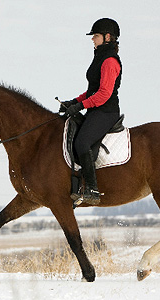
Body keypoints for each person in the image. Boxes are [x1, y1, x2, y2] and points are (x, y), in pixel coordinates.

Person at [60, 18, 122, 205]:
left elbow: (103, 94)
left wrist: (80, 106)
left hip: (106, 112)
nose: (92, 39)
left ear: (107, 37)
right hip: (96, 110)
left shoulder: (110, 61)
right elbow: (92, 90)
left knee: (83, 142)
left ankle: (92, 188)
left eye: (95, 36)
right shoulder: (100, 58)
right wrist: (74, 101)